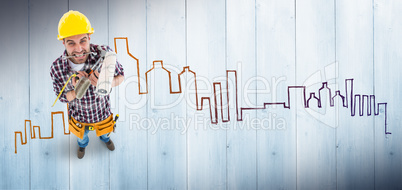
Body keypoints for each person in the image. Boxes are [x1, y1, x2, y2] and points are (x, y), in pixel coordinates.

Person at [50, 10, 124, 159]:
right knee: (81, 138)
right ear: (63, 42)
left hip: (102, 114)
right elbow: (62, 97)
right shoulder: (57, 68)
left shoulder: (104, 54)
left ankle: (106, 139)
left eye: (83, 41)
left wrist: (107, 83)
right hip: (79, 118)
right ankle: (82, 146)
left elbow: (121, 76)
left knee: (104, 133)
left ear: (89, 37)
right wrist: (74, 91)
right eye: (71, 43)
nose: (78, 49)